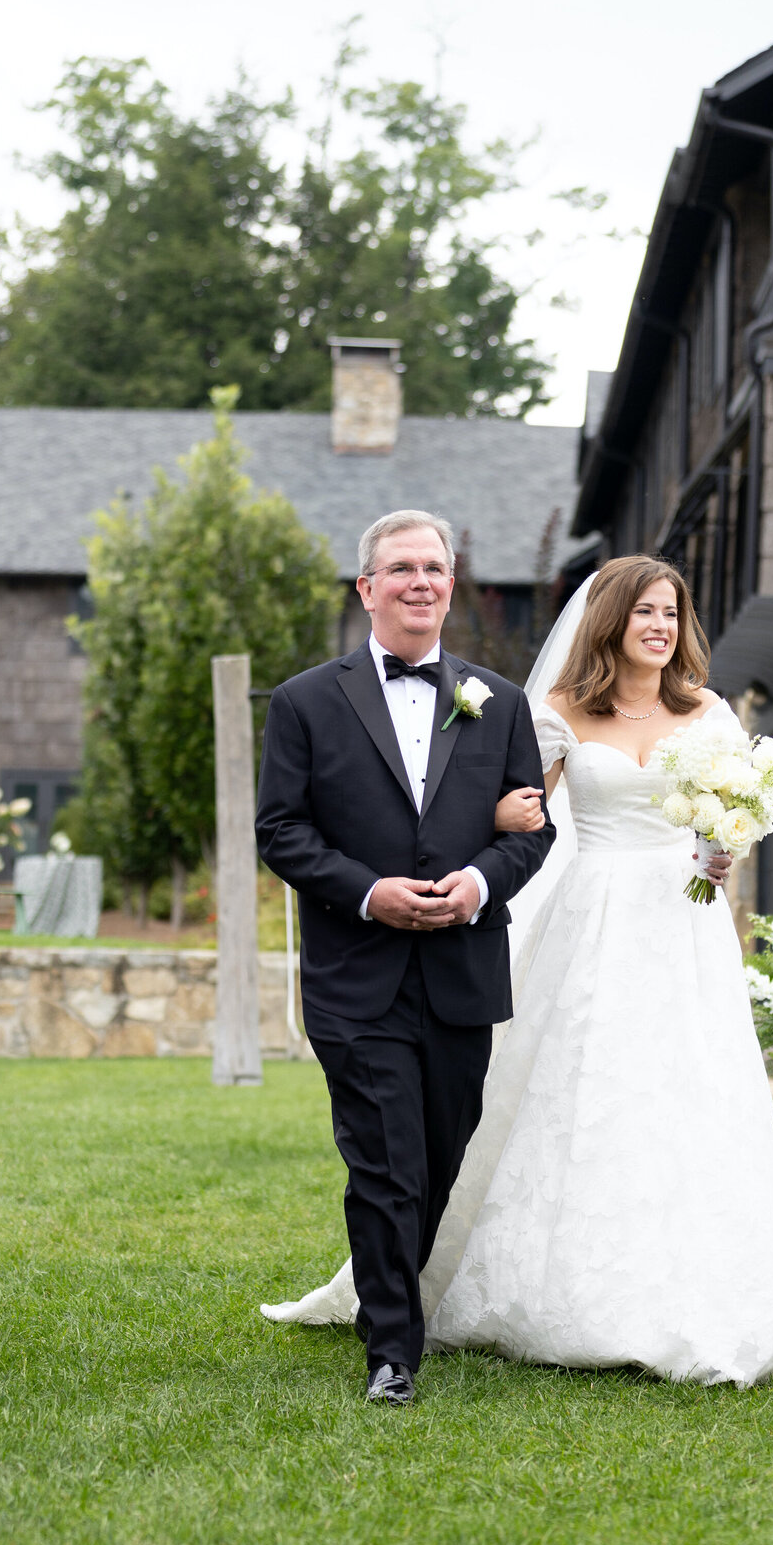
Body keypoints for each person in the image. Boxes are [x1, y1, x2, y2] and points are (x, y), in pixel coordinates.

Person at [263, 555, 773, 1387]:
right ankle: (539, 1292)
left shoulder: (709, 712)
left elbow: (734, 815)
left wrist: (723, 844)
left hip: (686, 928)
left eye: (671, 612)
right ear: (611, 621)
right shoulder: (559, 709)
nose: (661, 626)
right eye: (644, 612)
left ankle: (694, 1293)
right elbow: (517, 806)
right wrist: (502, 812)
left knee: (688, 1093)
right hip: (594, 923)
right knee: (588, 1092)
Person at [254, 509, 554, 1406]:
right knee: (385, 1160)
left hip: (463, 968)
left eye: (434, 567)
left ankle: (382, 1298)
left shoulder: (501, 702)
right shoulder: (306, 701)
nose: (420, 581)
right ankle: (393, 1348)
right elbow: (282, 830)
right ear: (367, 588)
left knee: (440, 1154)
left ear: (450, 585)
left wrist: (479, 882)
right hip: (357, 972)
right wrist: (368, 891)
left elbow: (533, 828)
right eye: (401, 568)